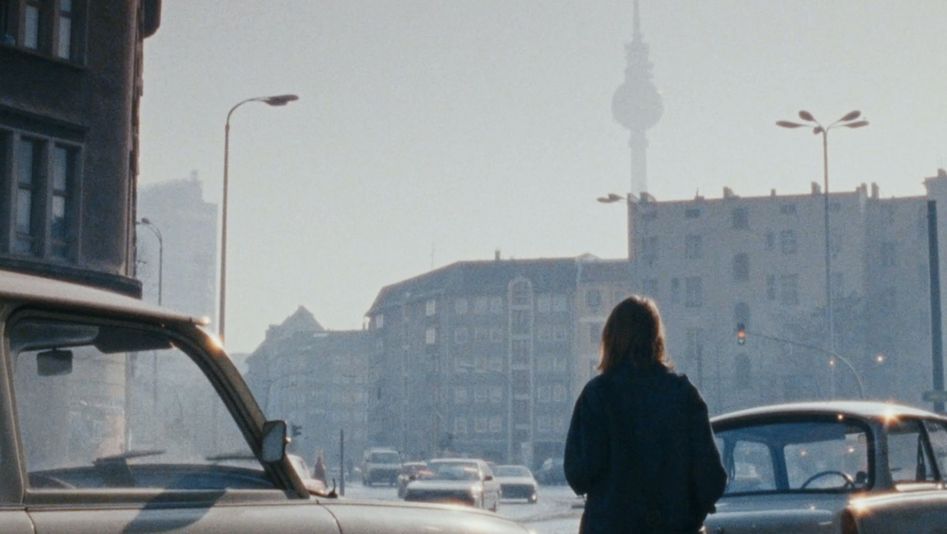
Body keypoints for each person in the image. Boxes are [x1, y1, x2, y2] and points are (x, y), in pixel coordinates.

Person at [564, 296, 726, 534]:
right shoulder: (683, 395)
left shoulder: (598, 396)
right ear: (656, 339)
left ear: (611, 339)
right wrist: (687, 514)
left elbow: (578, 474)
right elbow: (712, 478)